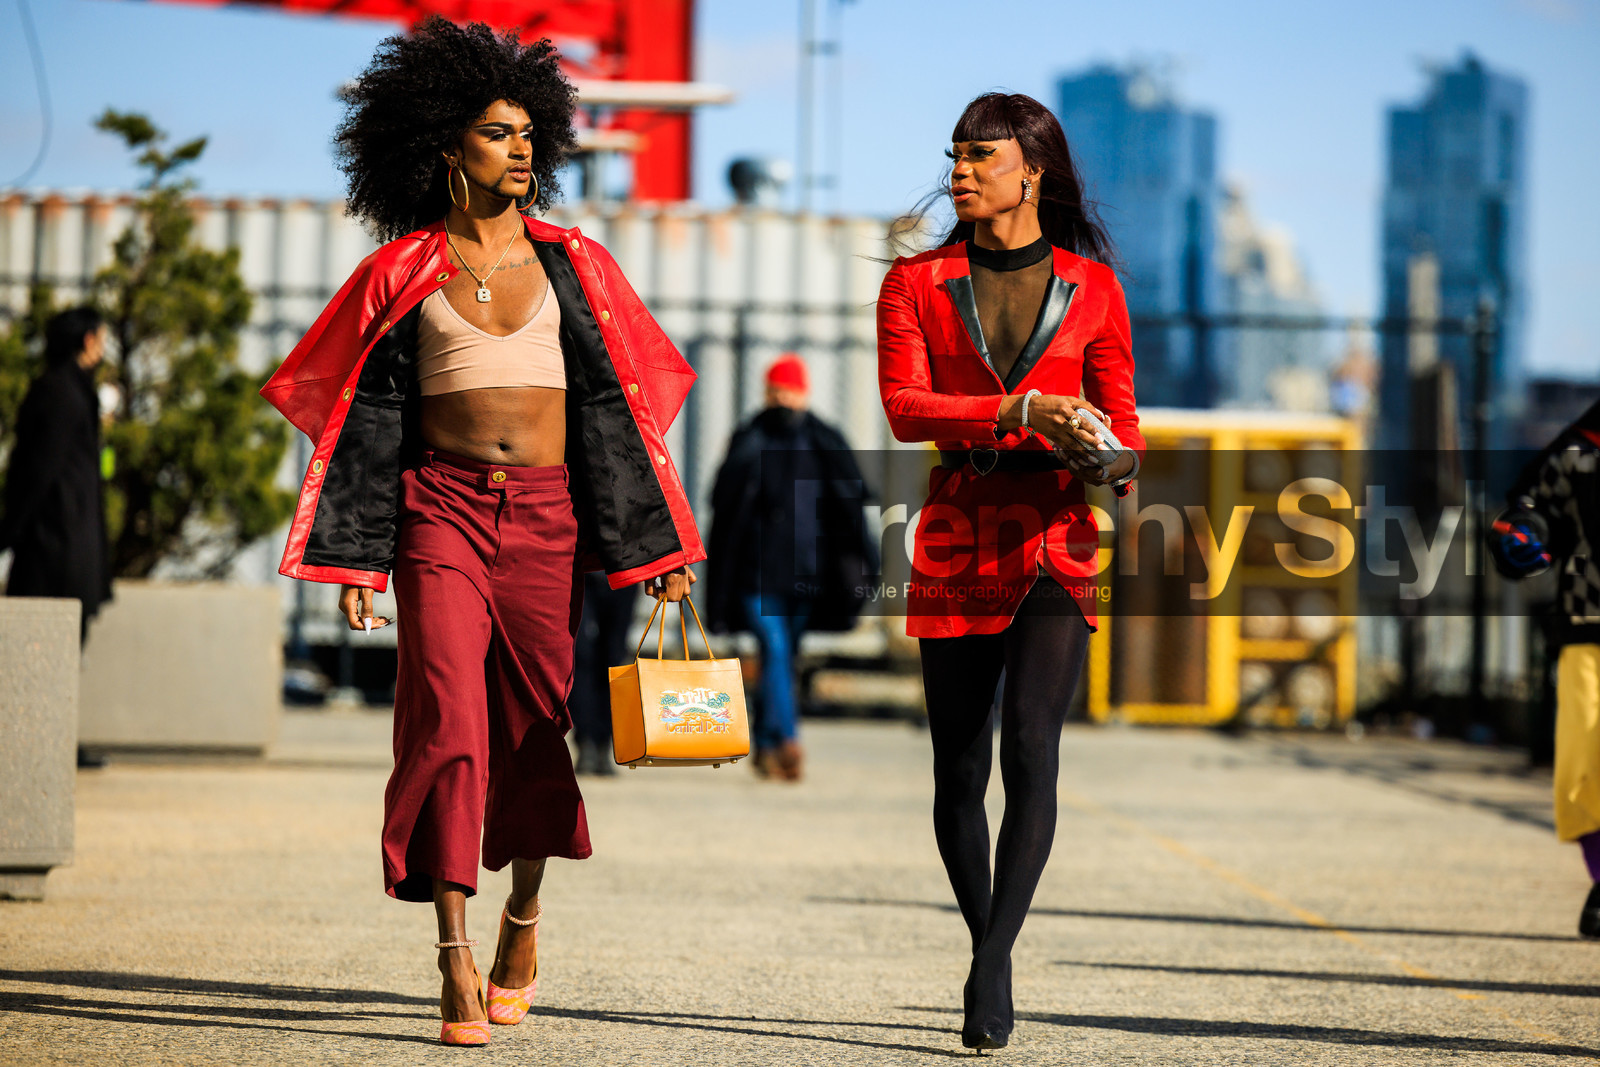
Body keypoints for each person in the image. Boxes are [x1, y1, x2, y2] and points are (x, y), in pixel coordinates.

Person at [259, 20, 702, 1047]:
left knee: (537, 728)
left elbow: (619, 413)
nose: (522, 151)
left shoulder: (576, 263)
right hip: (438, 511)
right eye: (497, 134)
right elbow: (363, 422)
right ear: (444, 148)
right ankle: (452, 956)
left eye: (528, 134)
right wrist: (357, 553)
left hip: (547, 520)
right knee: (447, 723)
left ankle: (522, 919)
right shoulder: (402, 268)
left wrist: (657, 548)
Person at [875, 92, 1142, 1049]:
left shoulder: (1094, 287)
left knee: (1031, 749)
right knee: (957, 768)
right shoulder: (915, 282)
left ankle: (991, 965)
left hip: (1057, 532)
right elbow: (906, 409)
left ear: (1030, 170)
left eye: (980, 157)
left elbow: (1128, 427)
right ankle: (989, 940)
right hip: (957, 526)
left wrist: (1102, 452)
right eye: (954, 155)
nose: (960, 170)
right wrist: (1020, 411)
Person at [705, 354, 876, 782]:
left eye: (789, 390)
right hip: (755, 575)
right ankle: (788, 740)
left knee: (781, 655)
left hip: (808, 575)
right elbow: (722, 503)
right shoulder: (748, 439)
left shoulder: (824, 440)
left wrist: (862, 564)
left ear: (804, 393)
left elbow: (850, 505)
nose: (781, 398)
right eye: (774, 390)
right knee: (777, 651)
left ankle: (764, 743)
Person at [1498, 400, 1600, 937]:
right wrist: (1524, 536)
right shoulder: (1583, 445)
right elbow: (1536, 506)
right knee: (1582, 771)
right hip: (1589, 622)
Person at [2, 306, 113, 644]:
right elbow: (43, 469)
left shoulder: (58, 390)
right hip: (62, 546)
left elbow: (34, 471)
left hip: (54, 547)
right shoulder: (70, 392)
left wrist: (7, 530)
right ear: (88, 340)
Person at [569, 571, 639, 776]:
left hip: (623, 570)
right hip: (581, 571)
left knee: (613, 660)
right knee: (581, 656)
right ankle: (585, 741)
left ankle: (604, 742)